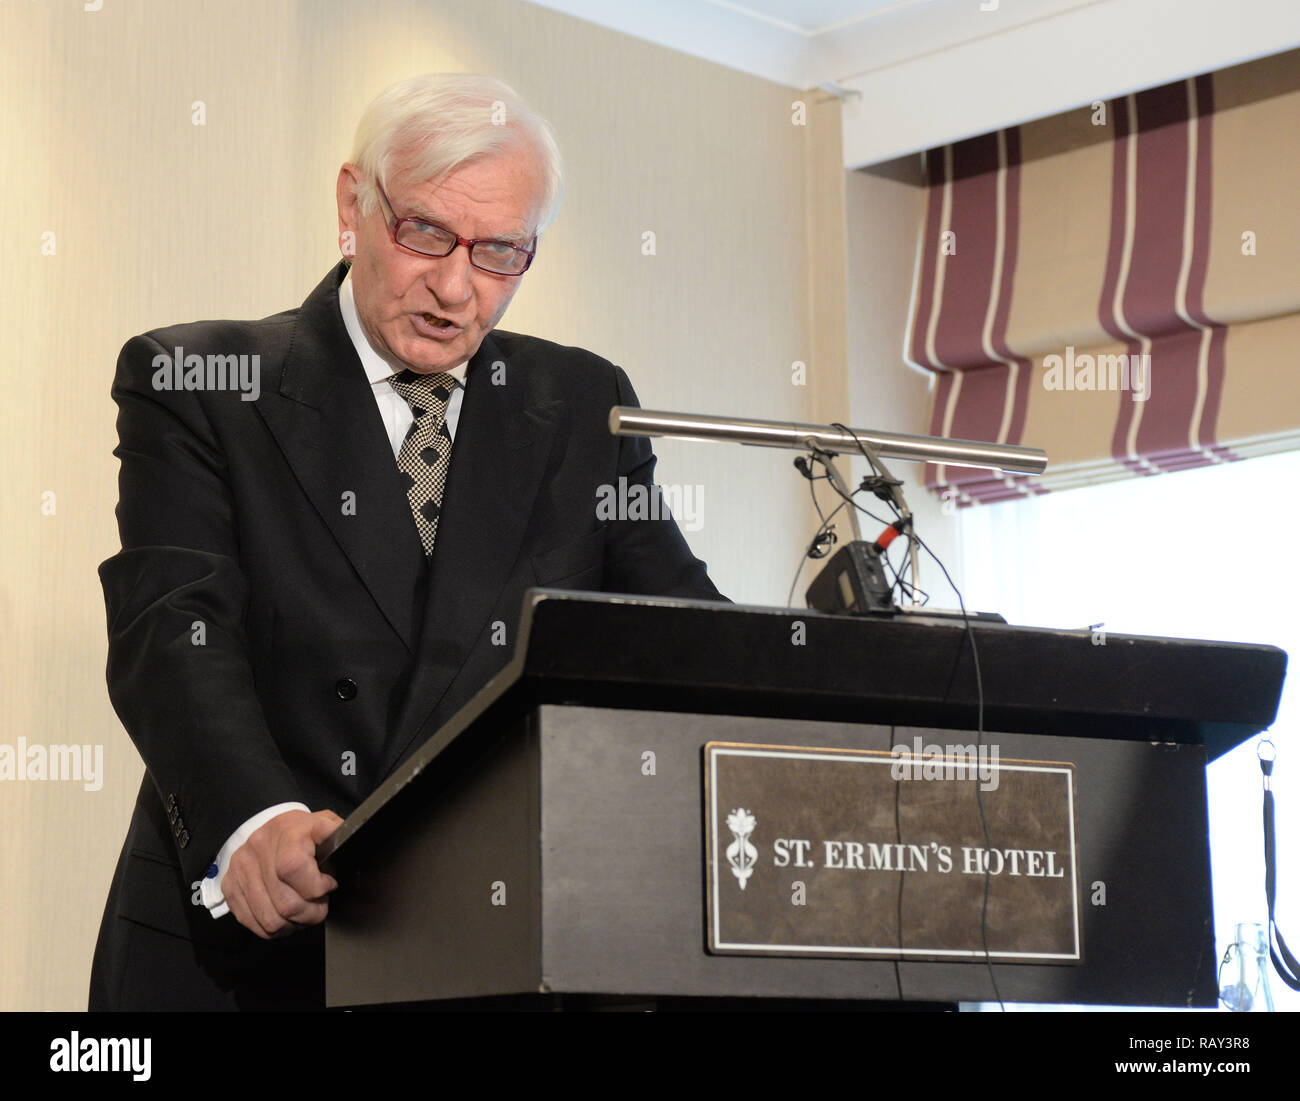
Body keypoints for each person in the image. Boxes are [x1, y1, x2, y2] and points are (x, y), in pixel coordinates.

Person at [90, 74, 724, 1011]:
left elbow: (684, 639)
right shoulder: (199, 382)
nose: (456, 286)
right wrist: (254, 822)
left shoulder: (582, 407)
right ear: (353, 206)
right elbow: (172, 630)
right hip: (240, 944)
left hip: (477, 951)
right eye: (425, 232)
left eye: (500, 251)